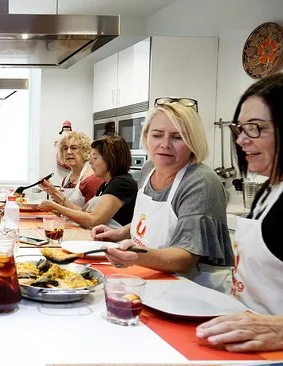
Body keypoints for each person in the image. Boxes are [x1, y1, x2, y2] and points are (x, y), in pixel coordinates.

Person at [91, 98, 234, 292]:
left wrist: (136, 255)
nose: (165, 144)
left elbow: (185, 258)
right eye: (157, 135)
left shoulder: (200, 182)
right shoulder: (150, 168)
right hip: (150, 278)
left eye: (177, 137)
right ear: (146, 137)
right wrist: (119, 233)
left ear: (193, 141)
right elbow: (154, 221)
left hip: (190, 290)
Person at [196, 73, 283, 352]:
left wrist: (279, 329)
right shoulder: (268, 190)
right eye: (241, 129)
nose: (242, 140)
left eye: (256, 128)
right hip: (249, 345)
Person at [40, 136, 137, 229]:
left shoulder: (122, 183)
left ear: (110, 159)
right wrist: (54, 201)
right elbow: (84, 212)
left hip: (113, 239)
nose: (90, 162)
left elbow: (93, 220)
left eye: (95, 158)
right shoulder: (106, 184)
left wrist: (55, 206)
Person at [41, 131, 104, 207]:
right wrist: (50, 191)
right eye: (65, 148)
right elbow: (62, 209)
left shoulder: (93, 180)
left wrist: (55, 193)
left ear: (85, 151)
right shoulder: (66, 180)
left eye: (74, 148)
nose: (68, 152)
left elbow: (90, 213)